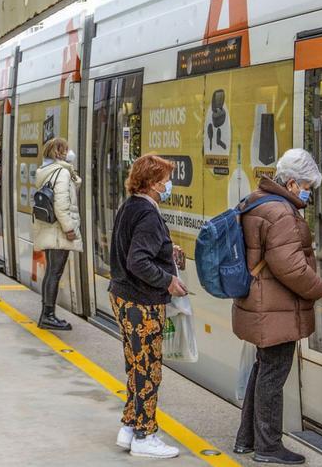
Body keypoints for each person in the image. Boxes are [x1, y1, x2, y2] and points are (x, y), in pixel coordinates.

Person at [232, 149, 322, 465]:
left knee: (263, 370)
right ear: (291, 182)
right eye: (305, 185)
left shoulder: (258, 200)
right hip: (275, 309)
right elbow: (290, 267)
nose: (307, 192)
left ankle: (246, 439)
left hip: (263, 305)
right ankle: (268, 446)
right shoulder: (281, 213)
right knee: (273, 376)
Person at [109, 154, 187, 459]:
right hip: (141, 303)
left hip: (122, 296)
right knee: (148, 371)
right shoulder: (149, 215)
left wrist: (168, 250)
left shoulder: (131, 206)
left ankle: (129, 426)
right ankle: (145, 435)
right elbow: (137, 260)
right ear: (154, 183)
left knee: (135, 366)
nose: (169, 184)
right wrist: (168, 280)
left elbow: (135, 247)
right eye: (166, 179)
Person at [32, 138, 82, 331]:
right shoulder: (61, 172)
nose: (70, 152)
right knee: (55, 272)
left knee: (51, 271)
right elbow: (61, 206)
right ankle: (48, 315)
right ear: (60, 152)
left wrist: (70, 170)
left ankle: (47, 313)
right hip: (59, 231)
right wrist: (69, 229)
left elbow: (75, 182)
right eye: (67, 149)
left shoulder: (48, 171)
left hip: (49, 228)